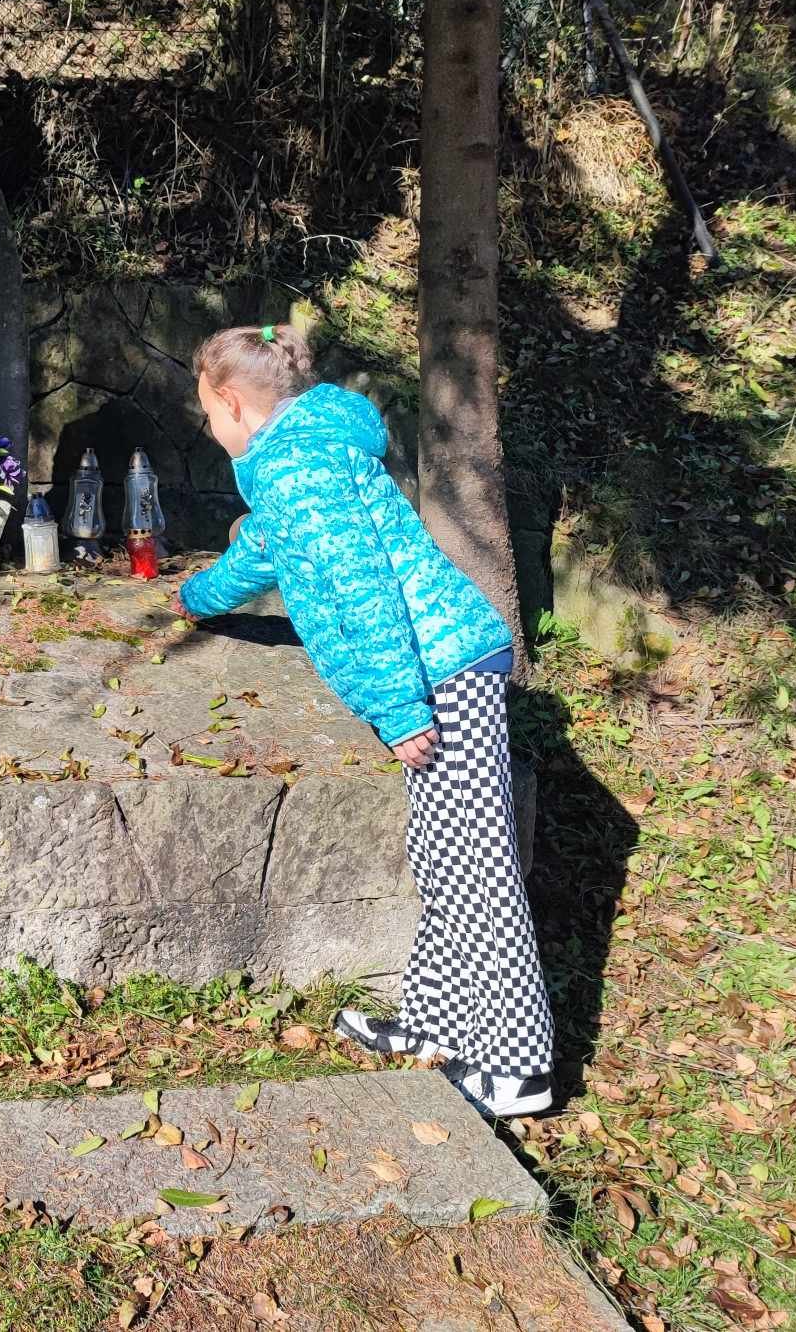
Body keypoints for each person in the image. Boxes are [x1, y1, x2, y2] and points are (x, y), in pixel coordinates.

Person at [177, 323, 554, 1118]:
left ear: (233, 404)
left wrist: (396, 706)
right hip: (437, 663)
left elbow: (361, 589)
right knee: (442, 857)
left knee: (477, 863)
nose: (209, 428)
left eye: (207, 413)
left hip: (441, 668)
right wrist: (192, 599)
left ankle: (518, 1066)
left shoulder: (299, 470)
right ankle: (434, 1026)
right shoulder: (299, 459)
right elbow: (262, 556)